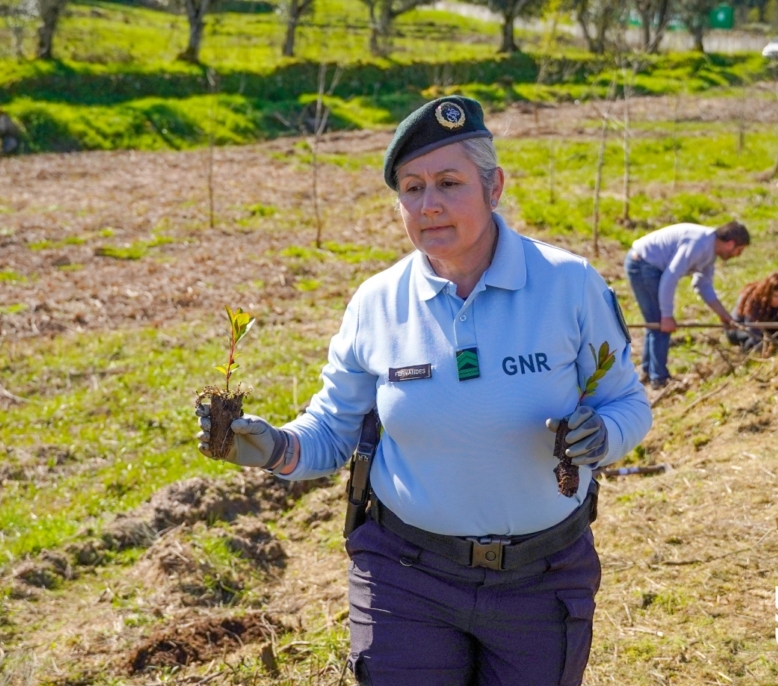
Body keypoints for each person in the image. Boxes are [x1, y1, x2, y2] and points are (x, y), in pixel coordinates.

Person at [194, 95, 652, 685]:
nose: (428, 204)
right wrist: (275, 447)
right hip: (407, 576)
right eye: (412, 188)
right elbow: (332, 429)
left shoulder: (568, 284)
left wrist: (604, 436)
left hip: (541, 579)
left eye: (449, 183)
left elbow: (626, 402)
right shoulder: (377, 303)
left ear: (494, 187)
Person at [624, 221, 750, 389]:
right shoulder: (698, 244)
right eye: (739, 250)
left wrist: (723, 315)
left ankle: (648, 372)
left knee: (656, 323)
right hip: (642, 263)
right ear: (730, 244)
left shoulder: (710, 251)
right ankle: (660, 379)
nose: (738, 255)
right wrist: (667, 315)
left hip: (649, 266)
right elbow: (670, 277)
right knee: (660, 324)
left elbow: (703, 286)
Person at [726, 272, 778, 351]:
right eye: (776, 296)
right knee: (752, 343)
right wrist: (760, 348)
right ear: (768, 293)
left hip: (763, 325)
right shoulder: (754, 299)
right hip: (740, 329)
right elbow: (752, 329)